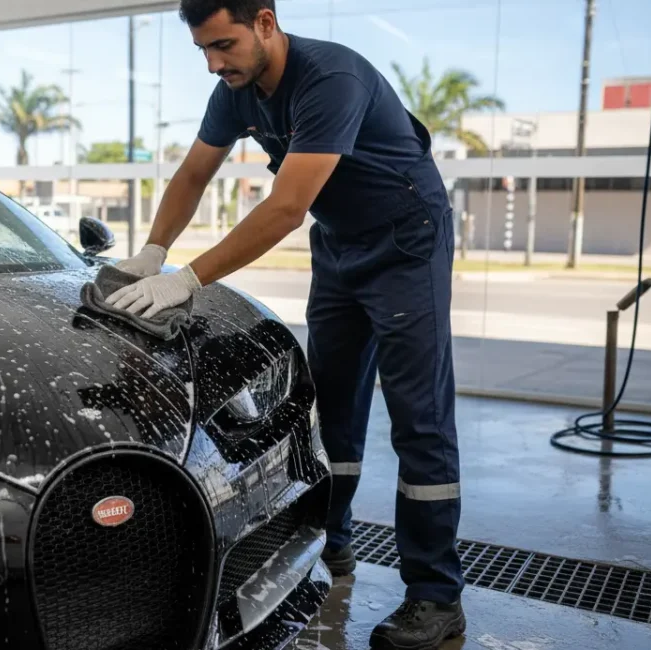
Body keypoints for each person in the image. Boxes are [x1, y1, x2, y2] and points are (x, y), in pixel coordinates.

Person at [104, 1, 465, 649]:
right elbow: (194, 173)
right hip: (341, 243)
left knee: (419, 415)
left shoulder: (332, 79)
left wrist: (186, 279)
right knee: (333, 404)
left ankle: (436, 596)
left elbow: (287, 207)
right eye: (204, 50)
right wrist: (154, 250)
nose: (214, 64)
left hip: (407, 240)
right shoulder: (235, 90)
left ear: (265, 23)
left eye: (224, 45)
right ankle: (336, 541)